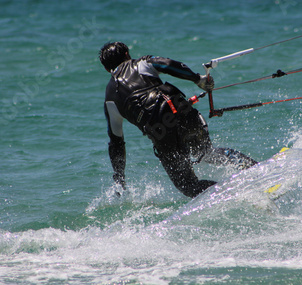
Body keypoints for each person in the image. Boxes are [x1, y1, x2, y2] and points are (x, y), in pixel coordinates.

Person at [100, 42, 258, 198]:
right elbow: (169, 64)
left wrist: (120, 177)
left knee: (188, 186)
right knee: (207, 153)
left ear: (107, 69)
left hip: (162, 135)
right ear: (127, 54)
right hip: (181, 113)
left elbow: (116, 144)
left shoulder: (109, 100)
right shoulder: (141, 64)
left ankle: (235, 194)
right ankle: (256, 169)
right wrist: (197, 79)